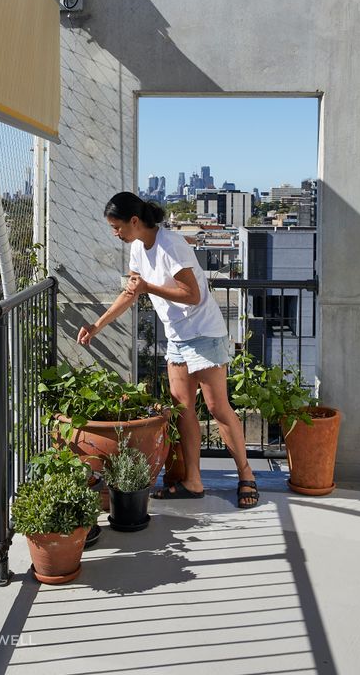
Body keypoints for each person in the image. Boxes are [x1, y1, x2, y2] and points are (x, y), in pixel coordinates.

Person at [77, 191, 259, 509]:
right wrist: (96, 325)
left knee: (218, 409)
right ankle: (193, 480)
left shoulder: (171, 244)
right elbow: (131, 293)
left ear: (135, 221)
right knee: (183, 411)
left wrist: (149, 287)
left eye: (116, 226)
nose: (115, 233)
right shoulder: (137, 249)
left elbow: (192, 295)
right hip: (177, 338)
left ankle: (246, 474)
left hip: (203, 333)